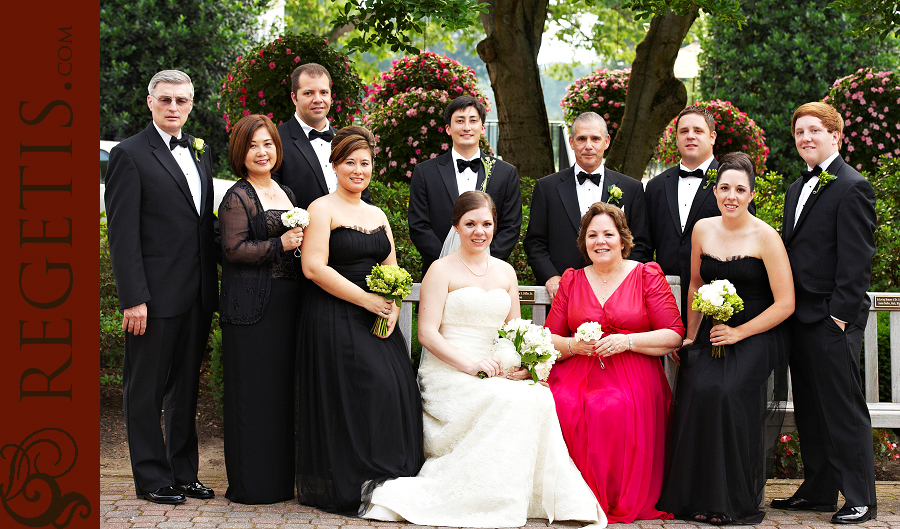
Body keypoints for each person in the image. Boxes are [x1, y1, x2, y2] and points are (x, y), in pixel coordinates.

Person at [364, 191, 605, 528]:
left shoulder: (505, 272)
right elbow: (427, 334)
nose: (479, 231)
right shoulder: (441, 270)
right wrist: (469, 365)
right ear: (457, 227)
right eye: (470, 223)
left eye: (487, 223)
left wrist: (525, 365)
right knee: (503, 398)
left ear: (495, 226)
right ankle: (487, 497)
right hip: (449, 369)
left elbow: (513, 331)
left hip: (495, 366)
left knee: (536, 395)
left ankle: (532, 494)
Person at [656, 152, 793, 525]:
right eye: (724, 188)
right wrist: (690, 337)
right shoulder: (703, 229)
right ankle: (695, 498)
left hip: (756, 333)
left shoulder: (766, 237)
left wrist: (738, 332)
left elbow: (785, 303)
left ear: (751, 194)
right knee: (697, 387)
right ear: (715, 191)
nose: (731, 196)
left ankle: (730, 500)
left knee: (726, 392)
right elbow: (697, 284)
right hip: (712, 332)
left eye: (740, 189)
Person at [294, 126, 424, 514]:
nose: (358, 169)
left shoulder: (378, 213)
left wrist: (393, 307)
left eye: (364, 163)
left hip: (378, 318)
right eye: (349, 162)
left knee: (398, 386)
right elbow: (314, 268)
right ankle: (355, 477)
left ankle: (389, 477)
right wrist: (366, 301)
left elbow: (393, 269)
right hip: (335, 315)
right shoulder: (322, 208)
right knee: (364, 387)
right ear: (334, 165)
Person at [104, 69, 217, 504]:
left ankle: (184, 472)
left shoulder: (200, 151)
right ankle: (151, 478)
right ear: (150, 102)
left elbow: (199, 224)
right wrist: (134, 298)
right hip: (151, 298)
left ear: (191, 103)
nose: (174, 108)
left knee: (186, 390)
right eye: (166, 100)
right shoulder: (129, 154)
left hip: (196, 295)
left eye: (182, 100)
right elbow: (123, 234)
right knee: (145, 391)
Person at [769, 102, 877, 524]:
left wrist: (840, 316)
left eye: (815, 130)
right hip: (799, 318)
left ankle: (861, 498)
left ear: (837, 135)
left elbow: (857, 260)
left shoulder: (853, 186)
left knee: (843, 410)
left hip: (832, 322)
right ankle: (817, 491)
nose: (806, 138)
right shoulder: (797, 188)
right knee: (811, 410)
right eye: (799, 132)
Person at [543, 201, 683, 523]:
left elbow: (673, 334)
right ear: (584, 242)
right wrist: (573, 345)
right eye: (592, 235)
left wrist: (628, 341)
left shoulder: (646, 275)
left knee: (608, 407)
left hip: (631, 371)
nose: (600, 242)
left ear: (622, 239)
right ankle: (567, 497)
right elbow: (549, 337)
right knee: (559, 402)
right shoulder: (572, 280)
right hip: (579, 367)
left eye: (608, 234)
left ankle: (607, 497)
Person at [217, 114, 304, 504]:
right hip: (252, 311)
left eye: (268, 143)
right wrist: (279, 245)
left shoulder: (287, 191)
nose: (262, 151)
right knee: (253, 395)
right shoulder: (236, 196)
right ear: (241, 151)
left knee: (282, 395)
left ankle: (281, 482)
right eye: (253, 145)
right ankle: (252, 486)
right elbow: (233, 250)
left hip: (289, 308)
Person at [645, 106, 757, 324]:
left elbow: (747, 241)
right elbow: (644, 244)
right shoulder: (655, 186)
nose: (690, 136)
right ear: (676, 138)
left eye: (698, 130)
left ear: (712, 136)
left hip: (718, 299)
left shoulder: (732, 183)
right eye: (684, 131)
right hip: (664, 297)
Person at [525, 112, 651, 302]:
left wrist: (622, 279)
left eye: (595, 138)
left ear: (606, 141)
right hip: (563, 293)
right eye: (582, 139)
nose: (588, 146)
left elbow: (641, 244)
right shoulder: (547, 188)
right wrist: (550, 277)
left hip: (617, 295)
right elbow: (535, 242)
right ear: (571, 142)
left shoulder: (631, 189)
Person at [408, 95, 522, 276]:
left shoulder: (505, 173)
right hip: (438, 272)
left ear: (482, 127)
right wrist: (446, 262)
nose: (466, 127)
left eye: (473, 121)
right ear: (448, 128)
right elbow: (418, 225)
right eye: (460, 121)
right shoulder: (425, 172)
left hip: (488, 273)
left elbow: (511, 225)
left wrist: (483, 262)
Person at [273, 62, 370, 209]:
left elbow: (363, 198)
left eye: (323, 92)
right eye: (308, 93)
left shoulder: (345, 140)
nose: (318, 99)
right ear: (294, 98)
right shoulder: (276, 141)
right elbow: (269, 200)